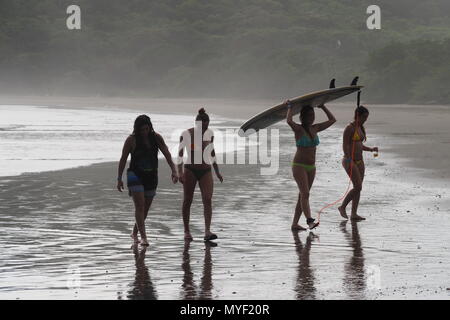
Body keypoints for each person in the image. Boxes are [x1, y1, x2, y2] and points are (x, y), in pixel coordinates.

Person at [117, 115, 178, 246]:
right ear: (137, 129)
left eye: (146, 129)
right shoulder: (131, 140)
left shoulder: (156, 138)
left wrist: (174, 170)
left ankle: (134, 232)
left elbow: (167, 153)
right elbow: (123, 159)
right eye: (141, 129)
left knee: (145, 209)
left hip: (151, 176)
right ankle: (143, 237)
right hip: (135, 175)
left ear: (150, 127)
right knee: (139, 206)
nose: (144, 132)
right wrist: (119, 178)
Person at [286, 101, 336, 230]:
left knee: (302, 195)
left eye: (312, 115)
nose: (311, 117)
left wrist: (323, 106)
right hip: (299, 165)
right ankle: (309, 220)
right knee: (305, 193)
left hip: (311, 167)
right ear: (302, 117)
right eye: (308, 115)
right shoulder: (298, 129)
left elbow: (332, 120)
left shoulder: (316, 128)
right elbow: (289, 121)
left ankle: (294, 224)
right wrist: (290, 107)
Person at [178, 108, 223, 241]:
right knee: (187, 200)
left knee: (207, 199)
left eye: (206, 125)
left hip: (205, 170)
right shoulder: (186, 134)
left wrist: (217, 171)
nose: (204, 129)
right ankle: (186, 231)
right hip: (190, 169)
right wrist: (179, 172)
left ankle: (207, 231)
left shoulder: (210, 134)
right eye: (202, 126)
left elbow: (212, 152)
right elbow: (180, 154)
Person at [338, 106, 379, 220]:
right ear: (357, 116)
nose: (365, 119)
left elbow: (359, 145)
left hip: (360, 161)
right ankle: (342, 207)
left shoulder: (360, 128)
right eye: (364, 117)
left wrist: (371, 149)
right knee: (358, 186)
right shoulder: (349, 128)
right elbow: (345, 144)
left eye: (367, 117)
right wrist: (348, 157)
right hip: (349, 160)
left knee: (358, 188)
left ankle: (354, 213)